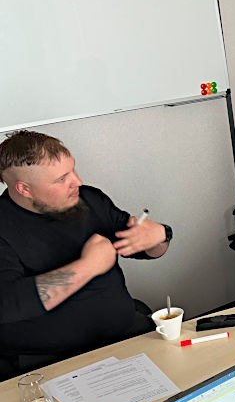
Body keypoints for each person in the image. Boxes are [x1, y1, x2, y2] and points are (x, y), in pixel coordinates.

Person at [0, 131, 172, 378]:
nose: (77, 182)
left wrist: (159, 236)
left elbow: (143, 247)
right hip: (46, 363)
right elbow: (9, 304)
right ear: (24, 189)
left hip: (124, 335)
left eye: (73, 170)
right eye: (62, 179)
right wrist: (87, 267)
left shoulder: (88, 199)